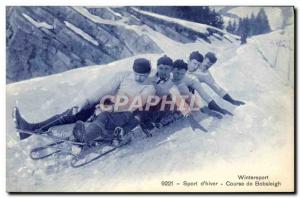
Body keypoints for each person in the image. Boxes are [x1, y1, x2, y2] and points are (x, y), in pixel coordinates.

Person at [14, 58, 156, 145]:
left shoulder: (149, 87)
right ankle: (30, 129)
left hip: (122, 114)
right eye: (137, 74)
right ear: (133, 71)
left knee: (102, 117)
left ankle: (84, 136)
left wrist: (109, 108)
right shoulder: (124, 76)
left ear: (148, 74)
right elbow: (104, 90)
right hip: (108, 105)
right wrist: (86, 102)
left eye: (143, 76)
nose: (139, 78)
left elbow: (133, 104)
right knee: (73, 113)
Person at [135, 55, 207, 133]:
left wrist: (192, 120)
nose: (163, 71)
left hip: (159, 108)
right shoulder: (150, 76)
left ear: (171, 69)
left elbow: (179, 101)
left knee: (168, 99)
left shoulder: (172, 83)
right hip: (143, 104)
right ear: (157, 67)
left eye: (166, 69)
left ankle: (156, 120)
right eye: (161, 68)